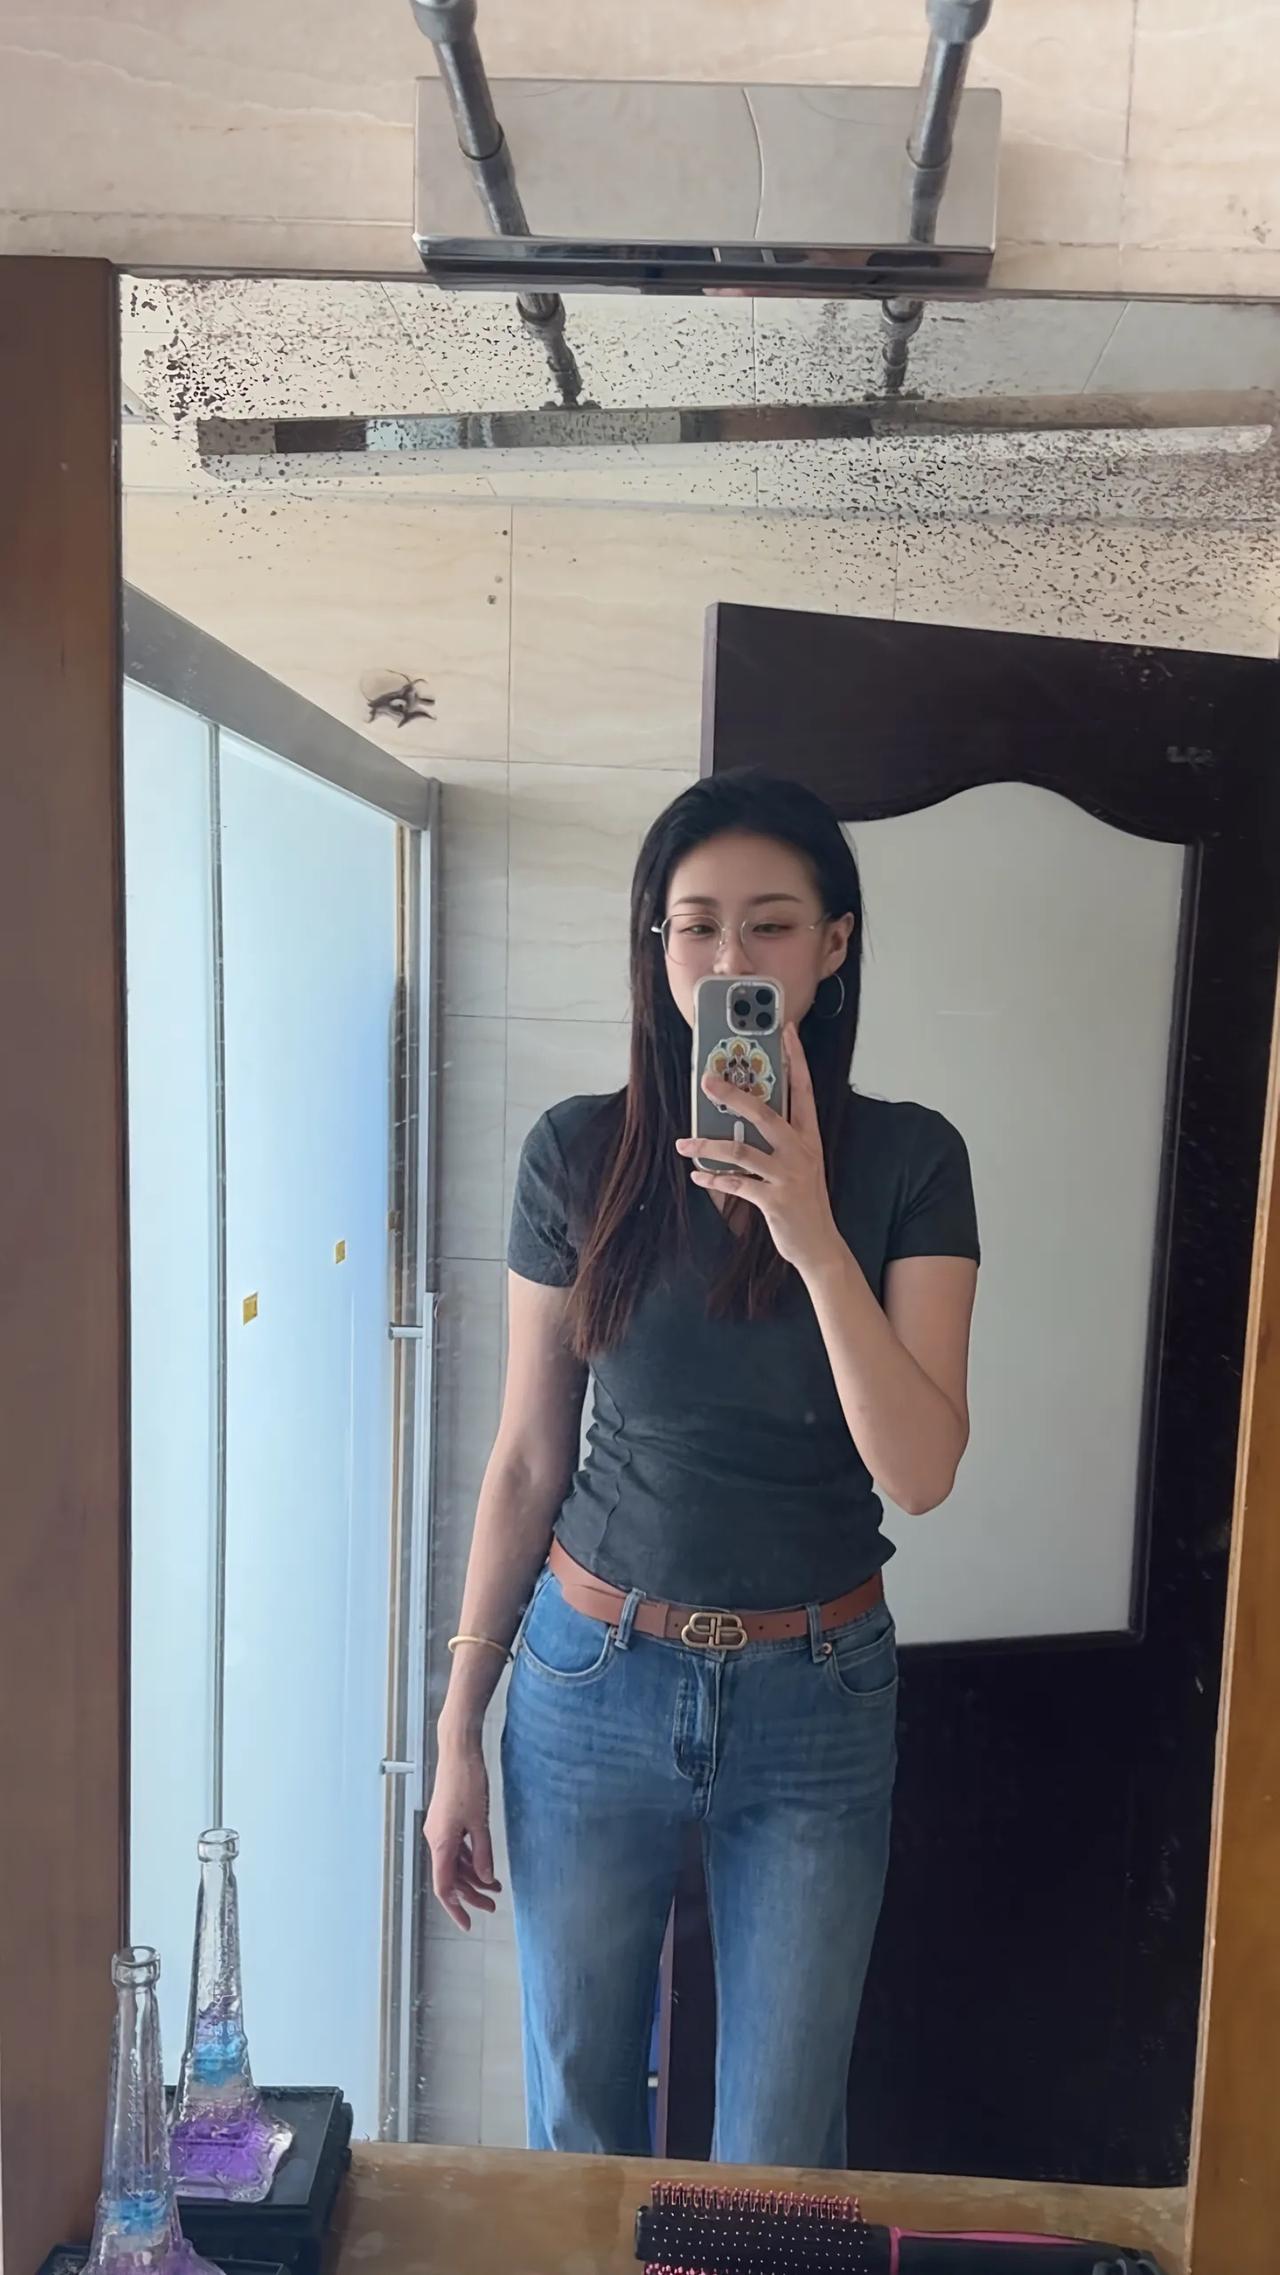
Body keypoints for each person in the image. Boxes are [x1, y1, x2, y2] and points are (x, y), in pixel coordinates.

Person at [425, 770, 980, 2168]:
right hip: (589, 1680)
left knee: (779, 2153)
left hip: (818, 1696)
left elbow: (920, 1470)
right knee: (579, 2119)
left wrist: (813, 1234)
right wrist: (456, 1728)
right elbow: (527, 1458)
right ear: (657, 943)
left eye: (772, 924)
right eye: (697, 926)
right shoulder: (579, 1153)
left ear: (835, 944)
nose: (733, 956)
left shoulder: (911, 1159)